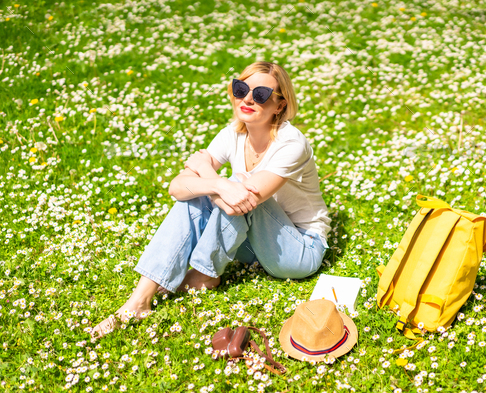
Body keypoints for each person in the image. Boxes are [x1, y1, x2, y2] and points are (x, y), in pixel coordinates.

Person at [91, 61, 331, 338]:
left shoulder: (292, 143)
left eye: (261, 94)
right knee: (197, 196)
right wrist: (214, 184)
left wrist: (208, 174)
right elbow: (177, 187)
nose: (248, 99)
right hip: (253, 248)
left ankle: (205, 273)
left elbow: (247, 199)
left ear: (279, 105)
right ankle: (139, 301)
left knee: (232, 186)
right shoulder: (233, 133)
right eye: (241, 89)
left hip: (298, 249)